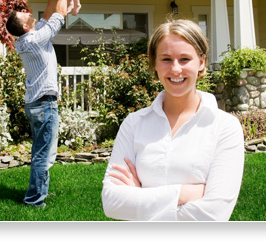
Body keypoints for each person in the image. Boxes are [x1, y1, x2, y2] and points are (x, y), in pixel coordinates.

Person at [101, 19, 245, 221]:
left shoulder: (225, 127)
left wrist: (140, 196)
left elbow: (214, 215)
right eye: (166, 59)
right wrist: (184, 193)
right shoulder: (134, 124)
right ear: (155, 63)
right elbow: (112, 203)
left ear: (201, 61)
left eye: (185, 59)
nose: (176, 69)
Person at [6, 0, 69, 208]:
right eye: (22, 14)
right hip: (44, 105)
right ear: (25, 26)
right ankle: (34, 200)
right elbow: (58, 15)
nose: (26, 12)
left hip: (36, 104)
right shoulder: (35, 40)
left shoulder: (29, 38)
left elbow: (48, 13)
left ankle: (38, 192)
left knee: (39, 152)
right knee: (45, 154)